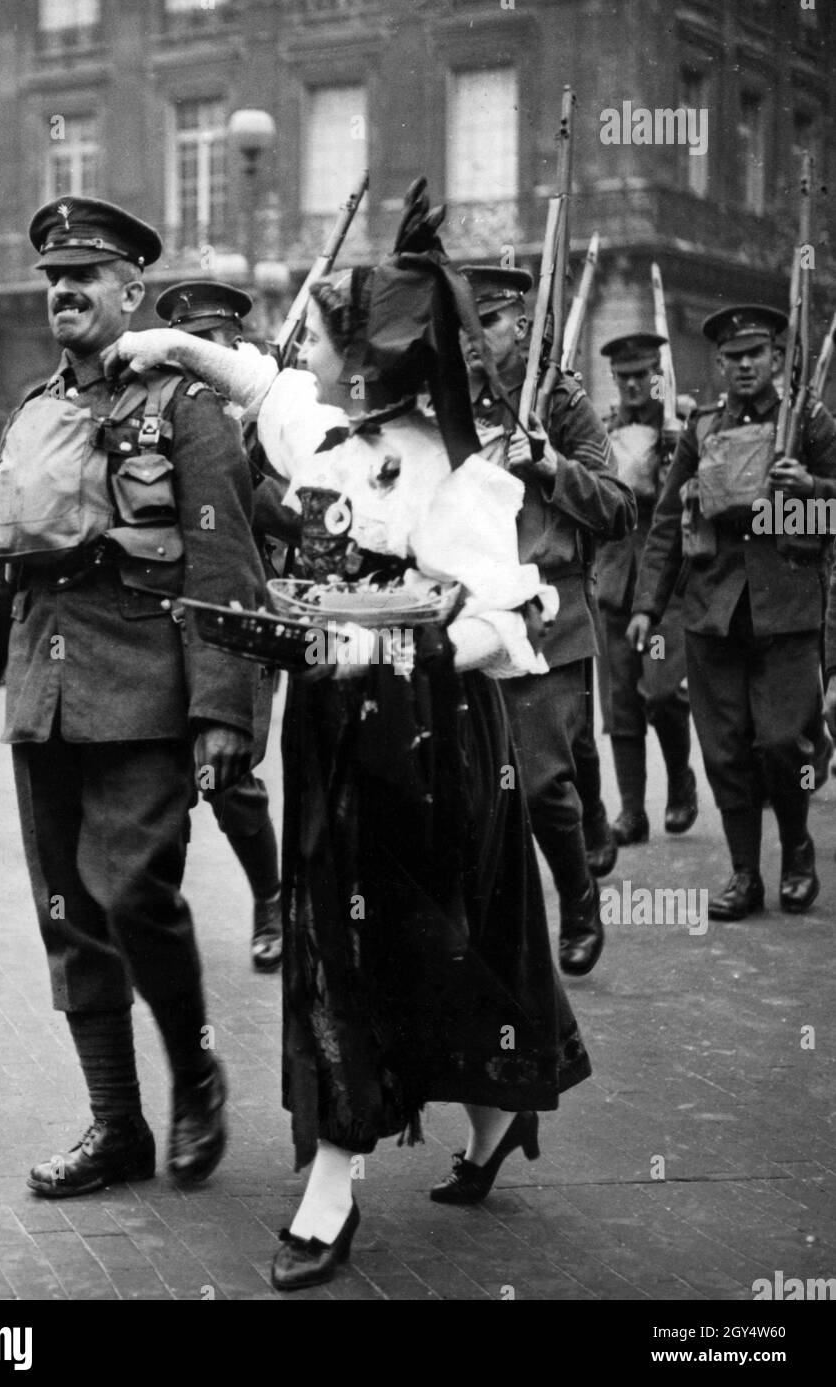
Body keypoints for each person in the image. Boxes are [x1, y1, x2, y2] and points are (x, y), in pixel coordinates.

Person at [111, 182, 591, 1291]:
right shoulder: (331, 431)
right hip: (335, 737)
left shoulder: (458, 474)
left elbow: (502, 618)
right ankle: (486, 1122)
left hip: (429, 740)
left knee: (394, 944)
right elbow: (260, 381)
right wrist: (167, 342)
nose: (310, 355)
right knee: (380, 937)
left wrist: (388, 652)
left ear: (382, 364)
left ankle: (332, 1189)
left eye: (332, 339)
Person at [0, 197, 267, 1196]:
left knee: (134, 895)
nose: (65, 289)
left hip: (147, 693)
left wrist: (220, 713)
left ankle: (194, 1072)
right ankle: (117, 1126)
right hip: (45, 693)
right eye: (52, 277)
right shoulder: (33, 413)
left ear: (132, 291)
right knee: (70, 915)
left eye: (87, 274)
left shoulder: (184, 406)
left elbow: (225, 563)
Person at [631, 305, 836, 920]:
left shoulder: (810, 425)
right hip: (712, 611)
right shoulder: (703, 430)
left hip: (787, 610)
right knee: (724, 751)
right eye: (733, 357)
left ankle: (797, 850)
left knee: (783, 743)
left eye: (756, 354)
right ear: (719, 365)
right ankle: (745, 874)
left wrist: (813, 493)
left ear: (776, 358)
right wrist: (647, 605)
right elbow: (668, 522)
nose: (745, 366)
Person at [461, 265, 636, 976]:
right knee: (479, 783)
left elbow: (618, 508)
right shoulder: (443, 399)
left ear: (521, 328)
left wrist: (546, 463)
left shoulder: (559, 402)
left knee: (537, 782)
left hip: (548, 613)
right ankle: (493, 928)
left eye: (490, 323)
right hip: (471, 616)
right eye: (466, 327)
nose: (474, 340)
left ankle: (578, 899)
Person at [155, 280, 290, 973]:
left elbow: (297, 518)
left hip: (242, 615)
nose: (202, 362)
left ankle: (271, 900)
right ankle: (157, 917)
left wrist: (243, 468)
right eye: (191, 350)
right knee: (160, 778)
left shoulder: (274, 421)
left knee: (227, 775)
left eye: (214, 347)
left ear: (237, 347)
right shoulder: (164, 415)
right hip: (166, 615)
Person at [595, 332, 697, 845]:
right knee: (620, 704)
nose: (635, 385)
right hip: (615, 579)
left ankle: (680, 779)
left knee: (659, 692)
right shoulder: (604, 431)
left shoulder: (684, 427)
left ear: (659, 377)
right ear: (615, 381)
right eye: (625, 377)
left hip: (667, 587)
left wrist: (679, 452)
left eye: (644, 375)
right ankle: (632, 810)